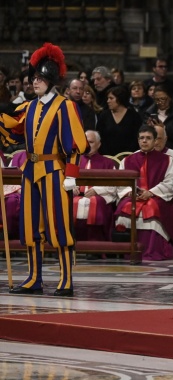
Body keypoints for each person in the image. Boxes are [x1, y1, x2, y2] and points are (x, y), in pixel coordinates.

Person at [0, 43, 88, 296]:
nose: (33, 83)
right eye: (32, 79)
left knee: (59, 226)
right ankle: (34, 278)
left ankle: (66, 279)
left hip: (54, 171)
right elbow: (13, 129)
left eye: (39, 79)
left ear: (50, 81)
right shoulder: (29, 106)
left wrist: (72, 174)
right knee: (30, 227)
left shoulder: (65, 106)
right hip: (29, 170)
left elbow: (75, 144)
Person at [114, 125, 173, 260]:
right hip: (133, 196)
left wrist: (151, 193)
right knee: (126, 206)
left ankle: (152, 250)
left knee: (151, 207)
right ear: (138, 140)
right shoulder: (127, 160)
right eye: (142, 138)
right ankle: (128, 250)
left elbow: (171, 182)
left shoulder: (167, 160)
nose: (144, 141)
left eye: (148, 138)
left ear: (155, 141)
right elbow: (120, 182)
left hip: (157, 196)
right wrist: (130, 192)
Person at [72, 130, 118, 242]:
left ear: (99, 144)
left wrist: (97, 190)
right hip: (75, 196)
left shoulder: (108, 163)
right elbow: (66, 180)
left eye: (91, 142)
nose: (87, 145)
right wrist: (72, 186)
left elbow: (114, 185)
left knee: (96, 202)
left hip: (99, 196)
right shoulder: (74, 161)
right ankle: (68, 243)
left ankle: (95, 244)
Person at [96, 85, 142, 156]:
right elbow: (99, 137)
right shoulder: (104, 116)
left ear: (120, 99)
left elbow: (136, 139)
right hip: (107, 157)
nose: (108, 101)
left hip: (129, 157)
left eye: (111, 98)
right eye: (108, 98)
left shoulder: (134, 116)